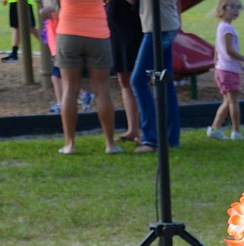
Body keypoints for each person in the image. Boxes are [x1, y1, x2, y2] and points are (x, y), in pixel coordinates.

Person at [55, 0, 121, 153]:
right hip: (97, 32)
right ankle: (110, 144)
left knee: (69, 89)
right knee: (102, 89)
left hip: (68, 31)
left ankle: (69, 144)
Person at [130, 0, 181, 154]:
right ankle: (171, 138)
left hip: (158, 29)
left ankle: (150, 139)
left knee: (138, 80)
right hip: (166, 24)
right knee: (164, 80)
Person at [208, 0, 244, 140]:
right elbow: (229, 50)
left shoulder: (222, 27)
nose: (235, 11)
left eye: (238, 8)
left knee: (227, 101)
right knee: (234, 102)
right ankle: (236, 132)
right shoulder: (227, 29)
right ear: (223, 9)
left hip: (223, 69)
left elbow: (218, 49)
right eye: (232, 7)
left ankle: (214, 129)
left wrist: (216, 65)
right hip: (228, 70)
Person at [106, 0, 142, 141]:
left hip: (133, 22)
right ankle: (133, 128)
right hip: (117, 23)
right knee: (124, 78)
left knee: (143, 78)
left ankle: (147, 127)